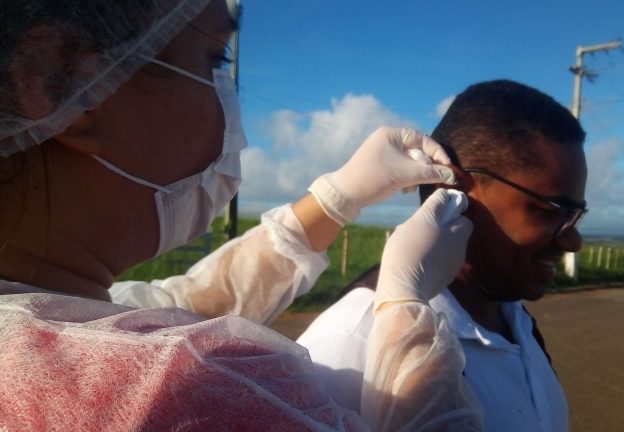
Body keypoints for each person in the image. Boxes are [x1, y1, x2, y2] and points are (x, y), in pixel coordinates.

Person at [0, 1, 483, 430]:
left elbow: (175, 307)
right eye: (215, 58)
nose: (235, 118)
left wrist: (336, 199)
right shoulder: (185, 399)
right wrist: (405, 309)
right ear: (57, 79)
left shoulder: (36, 327)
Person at [298, 79, 588, 432]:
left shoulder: (512, 313)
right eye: (550, 212)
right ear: (451, 193)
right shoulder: (352, 342)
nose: (573, 241)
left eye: (576, 217)